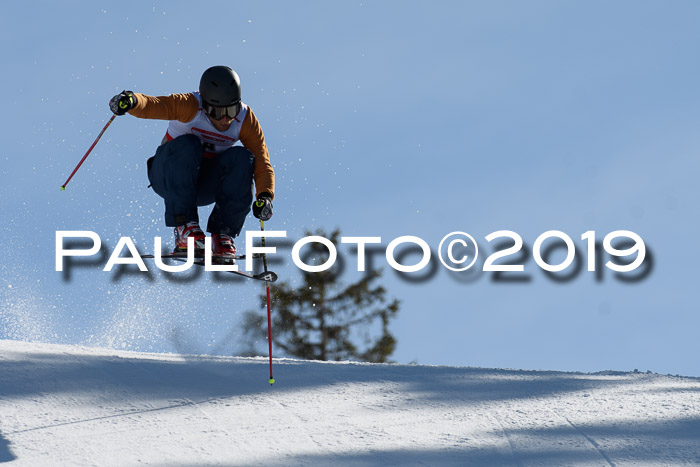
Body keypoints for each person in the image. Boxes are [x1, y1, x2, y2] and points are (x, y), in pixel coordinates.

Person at [108, 65, 274, 260]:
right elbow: (153, 105)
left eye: (231, 110)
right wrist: (132, 100)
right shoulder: (190, 105)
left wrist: (265, 196)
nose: (225, 119)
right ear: (205, 104)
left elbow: (262, 160)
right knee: (189, 144)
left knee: (243, 157)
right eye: (217, 112)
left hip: (205, 186)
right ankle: (184, 227)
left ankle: (224, 234)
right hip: (169, 175)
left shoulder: (245, 119)